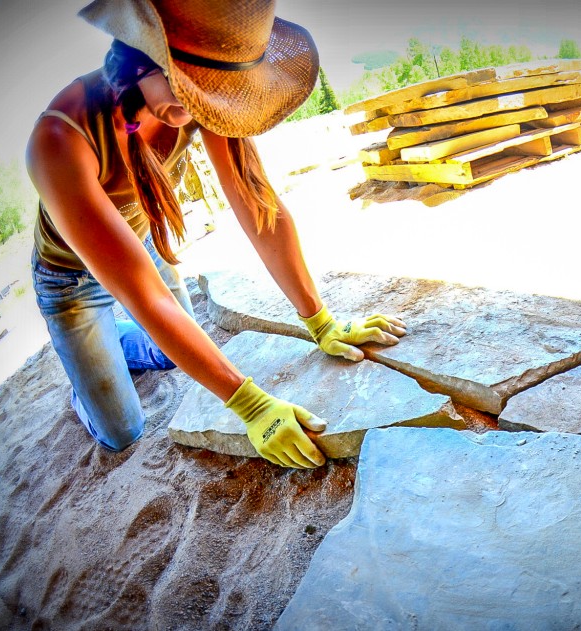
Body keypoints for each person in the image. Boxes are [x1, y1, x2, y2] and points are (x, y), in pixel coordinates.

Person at [26, 0, 406, 469]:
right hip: (71, 283)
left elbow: (258, 207)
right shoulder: (58, 139)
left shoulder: (201, 101)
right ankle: (85, 377)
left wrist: (321, 321)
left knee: (168, 355)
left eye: (212, 90)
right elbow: (147, 296)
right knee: (122, 431)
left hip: (143, 246)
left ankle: (115, 342)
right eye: (190, 86)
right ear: (143, 57)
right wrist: (250, 404)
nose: (198, 103)